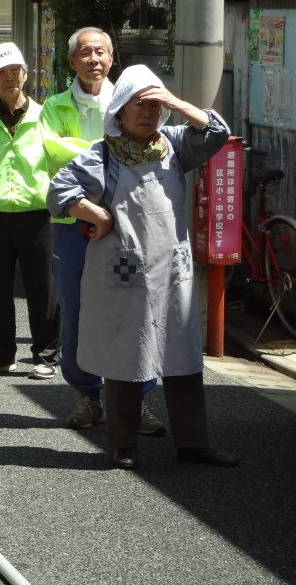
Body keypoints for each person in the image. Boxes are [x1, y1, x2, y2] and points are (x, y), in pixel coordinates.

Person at [47, 64, 237, 470]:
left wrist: (174, 101)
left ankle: (193, 444)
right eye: (140, 104)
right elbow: (59, 190)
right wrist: (98, 215)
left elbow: (217, 132)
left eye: (155, 105)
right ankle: (123, 445)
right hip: (124, 274)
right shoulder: (102, 155)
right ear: (120, 111)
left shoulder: (174, 145)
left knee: (184, 359)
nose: (150, 113)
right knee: (125, 359)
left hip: (171, 273)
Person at [40, 27, 165, 435]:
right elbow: (54, 155)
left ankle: (135, 400)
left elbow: (145, 147)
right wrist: (110, 152)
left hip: (127, 225)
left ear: (112, 59)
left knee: (135, 309)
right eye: (85, 52)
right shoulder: (54, 106)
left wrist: (86, 153)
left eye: (101, 52)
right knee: (77, 310)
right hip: (72, 224)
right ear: (71, 61)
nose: (94, 59)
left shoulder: (127, 99)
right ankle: (88, 396)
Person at [0, 43, 60, 379]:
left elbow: (58, 166)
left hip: (38, 214)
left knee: (43, 287)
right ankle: (1, 353)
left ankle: (47, 355)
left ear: (26, 74)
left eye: (15, 71)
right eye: (2, 73)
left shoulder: (45, 117)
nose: (9, 78)